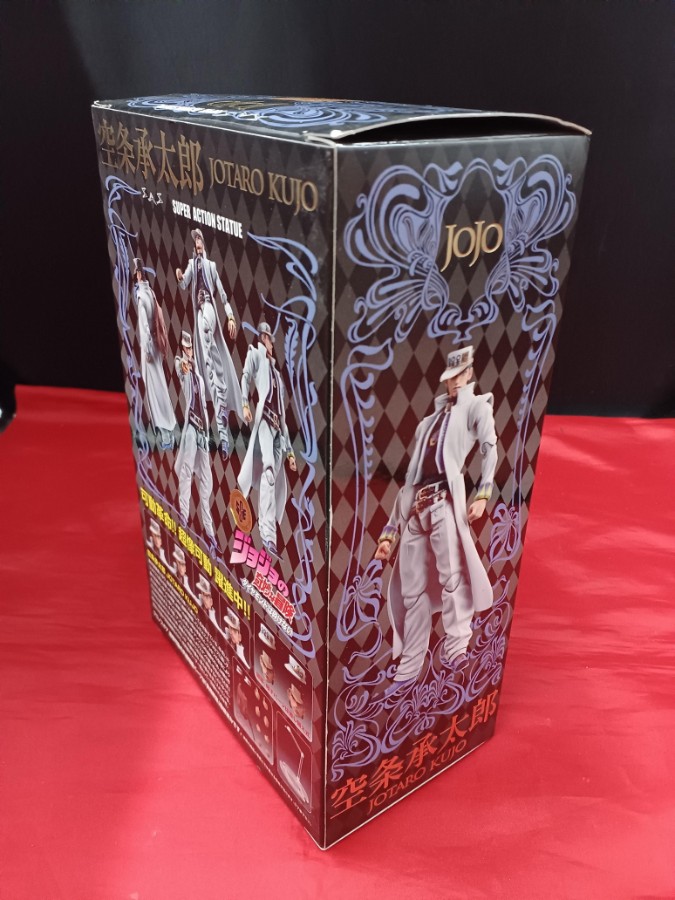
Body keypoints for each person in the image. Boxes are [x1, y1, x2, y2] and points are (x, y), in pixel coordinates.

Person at [375, 345, 498, 686]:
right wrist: (389, 534)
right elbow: (409, 483)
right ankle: (410, 665)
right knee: (411, 590)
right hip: (416, 508)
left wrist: (483, 493)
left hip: (445, 501)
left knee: (452, 577)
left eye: (460, 376)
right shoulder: (427, 424)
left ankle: (457, 649)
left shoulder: (476, 407)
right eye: (450, 378)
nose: (454, 382)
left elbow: (489, 448)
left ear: (469, 374)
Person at [176, 229, 242, 459]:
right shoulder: (191, 265)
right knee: (211, 371)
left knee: (206, 332)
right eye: (195, 239)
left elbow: (222, 294)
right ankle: (224, 437)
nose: (197, 242)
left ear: (204, 243)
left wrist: (230, 316)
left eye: (199, 239)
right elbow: (184, 284)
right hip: (199, 312)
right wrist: (180, 277)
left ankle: (220, 405)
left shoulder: (211, 266)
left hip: (209, 310)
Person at [237, 322, 296, 558]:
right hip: (264, 423)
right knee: (268, 472)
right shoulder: (256, 355)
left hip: (278, 431)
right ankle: (267, 533)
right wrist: (244, 403)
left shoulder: (278, 376)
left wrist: (290, 452)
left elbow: (283, 416)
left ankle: (270, 534)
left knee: (271, 478)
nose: (272, 344)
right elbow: (245, 377)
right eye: (270, 339)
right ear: (264, 338)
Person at [174, 331, 216, 546]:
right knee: (186, 470)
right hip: (191, 427)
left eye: (190, 348)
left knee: (207, 481)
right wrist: (184, 364)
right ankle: (183, 515)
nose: (189, 351)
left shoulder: (198, 376)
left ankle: (209, 531)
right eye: (186, 347)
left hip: (202, 432)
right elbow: (180, 368)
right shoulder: (182, 366)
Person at [132, 258, 176, 449]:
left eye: (136, 273)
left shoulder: (142, 296)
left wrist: (148, 349)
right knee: (160, 387)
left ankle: (166, 434)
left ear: (138, 274)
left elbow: (144, 327)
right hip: (156, 344)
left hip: (150, 347)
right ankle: (168, 429)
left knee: (155, 389)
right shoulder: (150, 292)